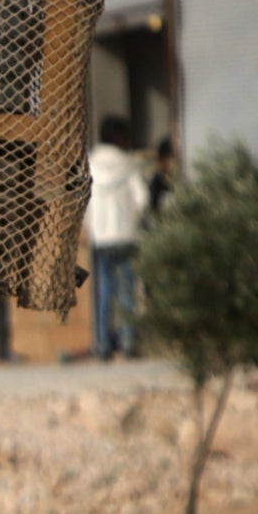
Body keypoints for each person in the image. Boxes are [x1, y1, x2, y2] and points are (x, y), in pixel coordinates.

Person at [86, 115, 151, 361]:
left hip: (100, 240)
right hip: (126, 237)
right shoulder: (129, 165)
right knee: (127, 292)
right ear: (119, 138)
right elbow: (142, 200)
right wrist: (133, 219)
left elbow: (83, 204)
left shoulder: (89, 165)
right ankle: (128, 342)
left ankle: (102, 345)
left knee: (103, 292)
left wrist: (92, 228)